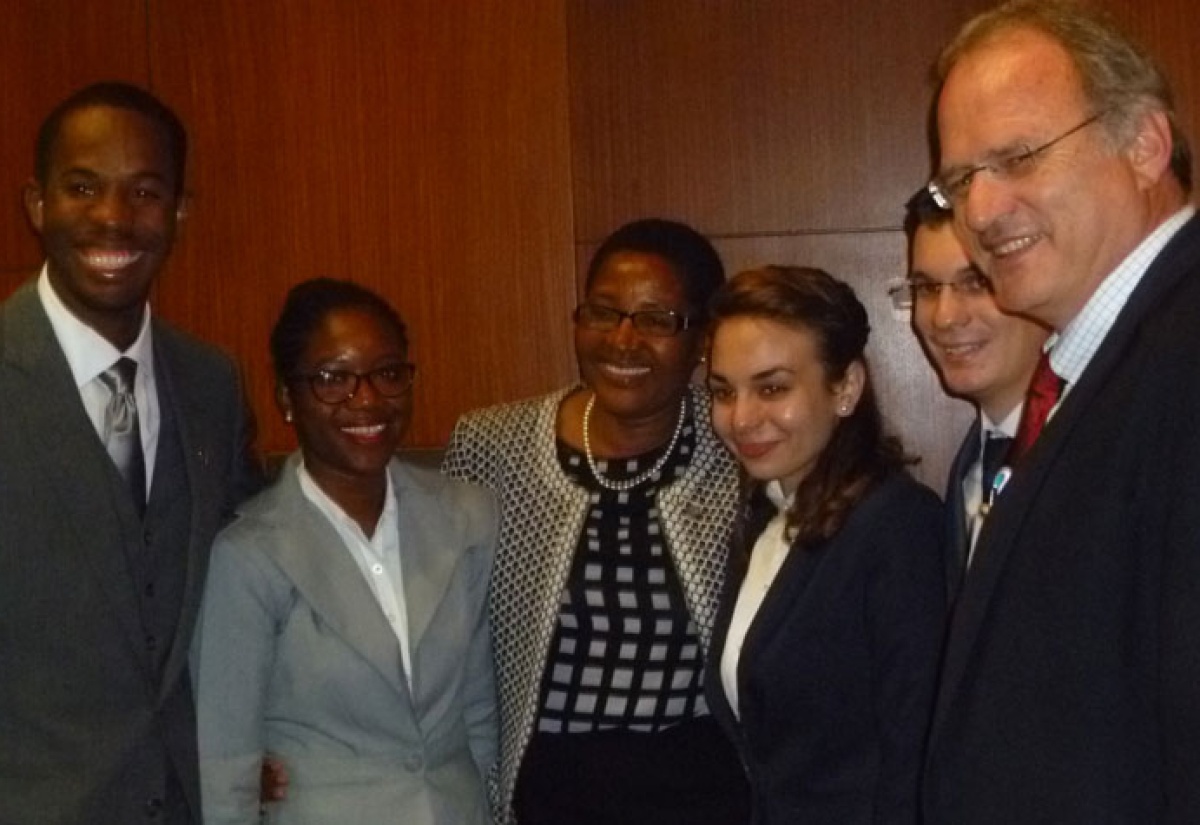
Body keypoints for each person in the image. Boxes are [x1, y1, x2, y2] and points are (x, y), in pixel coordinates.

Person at [921, 1, 1200, 821]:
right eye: (960, 179)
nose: (978, 210)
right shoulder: (1111, 361)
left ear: (1144, 144)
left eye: (1018, 156)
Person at [0, 82, 261, 823]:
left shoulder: (211, 382)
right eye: (83, 187)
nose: (113, 217)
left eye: (144, 191)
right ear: (37, 203)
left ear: (180, 212)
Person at [443, 218, 750, 825]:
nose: (624, 340)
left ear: (702, 340)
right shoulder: (490, 447)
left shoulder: (739, 445)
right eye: (604, 313)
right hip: (545, 789)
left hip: (699, 789)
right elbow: (434, 623)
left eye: (658, 320)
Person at [193, 278, 498, 824]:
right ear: (288, 397)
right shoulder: (249, 555)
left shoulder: (467, 518)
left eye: (388, 373)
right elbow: (224, 763)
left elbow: (480, 712)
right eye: (333, 379)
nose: (367, 399)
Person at [703, 265, 945, 824]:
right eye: (722, 391)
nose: (741, 418)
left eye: (773, 388)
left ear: (846, 388)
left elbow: (916, 753)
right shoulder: (765, 514)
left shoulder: (897, 525)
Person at [903, 186, 1047, 601]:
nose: (944, 317)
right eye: (927, 288)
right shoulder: (970, 468)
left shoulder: (1102, 450)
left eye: (976, 283)